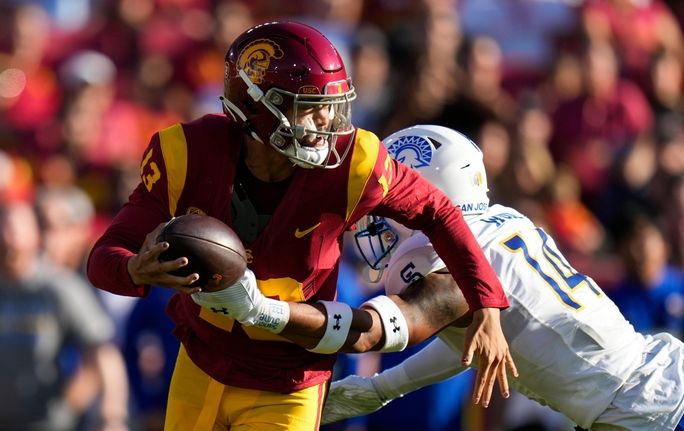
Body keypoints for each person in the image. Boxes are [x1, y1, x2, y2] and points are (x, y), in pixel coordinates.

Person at [86, 21, 513, 431]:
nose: (326, 124)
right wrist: (133, 269)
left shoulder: (355, 162)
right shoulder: (187, 154)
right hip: (201, 363)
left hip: (290, 379)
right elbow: (106, 255)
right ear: (255, 106)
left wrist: (486, 302)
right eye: (309, 108)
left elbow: (438, 211)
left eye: (331, 107)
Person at [205, 125, 684, 430]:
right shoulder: (501, 222)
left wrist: (261, 310)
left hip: (653, 415)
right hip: (663, 400)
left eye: (391, 194)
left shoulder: (446, 258)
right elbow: (475, 332)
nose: (379, 211)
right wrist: (378, 389)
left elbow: (383, 328)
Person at [0, 196, 129, 431]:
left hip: (47, 423)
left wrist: (111, 416)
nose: (6, 238)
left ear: (35, 235)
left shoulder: (57, 287)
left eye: (13, 229)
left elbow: (103, 351)